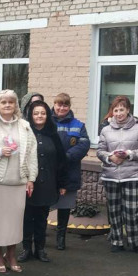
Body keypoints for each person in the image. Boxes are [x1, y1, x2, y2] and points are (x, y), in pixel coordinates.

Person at [0, 90, 38, 273]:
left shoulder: (25, 126)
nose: (7, 105)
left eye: (11, 102)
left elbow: (32, 154)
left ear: (16, 105)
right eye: (3, 102)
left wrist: (31, 178)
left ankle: (11, 255)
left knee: (14, 222)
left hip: (18, 181)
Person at [96, 96, 138, 254]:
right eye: (116, 110)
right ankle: (117, 241)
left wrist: (129, 154)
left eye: (122, 109)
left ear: (128, 110)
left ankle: (134, 242)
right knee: (114, 210)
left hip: (131, 175)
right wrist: (110, 157)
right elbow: (100, 151)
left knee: (131, 211)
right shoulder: (106, 130)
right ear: (112, 112)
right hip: (111, 175)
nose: (119, 113)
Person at [21, 101, 67, 262]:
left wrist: (62, 183)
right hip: (28, 183)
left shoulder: (53, 135)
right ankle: (26, 248)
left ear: (47, 115)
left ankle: (40, 249)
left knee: (41, 218)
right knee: (27, 218)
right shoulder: (25, 133)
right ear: (30, 116)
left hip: (47, 182)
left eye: (43, 113)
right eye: (36, 113)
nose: (39, 116)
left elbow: (61, 161)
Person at [52, 93, 90, 249]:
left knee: (64, 207)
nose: (62, 108)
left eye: (65, 105)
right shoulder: (45, 121)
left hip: (69, 170)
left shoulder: (78, 125)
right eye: (59, 104)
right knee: (42, 206)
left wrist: (66, 157)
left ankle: (61, 237)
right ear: (54, 105)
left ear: (69, 107)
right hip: (49, 171)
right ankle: (39, 237)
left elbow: (84, 145)